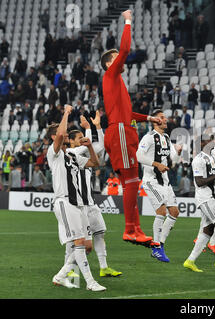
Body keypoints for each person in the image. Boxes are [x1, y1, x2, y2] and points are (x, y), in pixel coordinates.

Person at [100, 10, 162, 247]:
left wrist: (149, 117)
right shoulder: (111, 74)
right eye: (115, 57)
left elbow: (129, 114)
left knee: (132, 181)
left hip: (124, 129)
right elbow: (125, 49)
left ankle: (135, 228)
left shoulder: (117, 83)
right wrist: (127, 20)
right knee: (131, 181)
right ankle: (129, 230)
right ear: (109, 63)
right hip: (120, 132)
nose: (121, 59)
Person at [46, 105, 106, 291]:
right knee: (79, 243)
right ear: (53, 137)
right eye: (59, 134)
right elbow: (62, 134)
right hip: (64, 202)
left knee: (85, 245)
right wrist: (65, 113)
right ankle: (90, 282)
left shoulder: (71, 156)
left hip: (79, 203)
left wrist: (89, 146)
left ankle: (61, 275)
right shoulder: (53, 153)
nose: (63, 135)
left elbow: (95, 163)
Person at [67, 114, 122, 278]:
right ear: (70, 141)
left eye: (83, 137)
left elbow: (101, 147)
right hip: (78, 204)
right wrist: (88, 129)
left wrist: (97, 127)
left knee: (100, 233)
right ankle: (68, 269)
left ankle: (104, 267)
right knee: (79, 241)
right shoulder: (70, 152)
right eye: (79, 138)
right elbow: (86, 146)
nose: (82, 140)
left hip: (91, 202)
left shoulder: (84, 155)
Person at [183, 135, 215, 273]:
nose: (211, 141)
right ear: (202, 144)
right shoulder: (198, 160)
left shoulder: (212, 158)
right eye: (208, 140)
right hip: (205, 197)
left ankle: (190, 260)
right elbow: (199, 182)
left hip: (213, 196)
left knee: (209, 229)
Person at [136, 109, 182, 263]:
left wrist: (178, 152)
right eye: (162, 117)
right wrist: (155, 164)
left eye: (165, 117)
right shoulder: (148, 138)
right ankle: (156, 248)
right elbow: (138, 156)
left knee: (174, 212)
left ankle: (160, 244)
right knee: (161, 211)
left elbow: (171, 159)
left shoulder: (166, 137)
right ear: (155, 120)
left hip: (165, 181)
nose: (165, 120)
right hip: (151, 181)